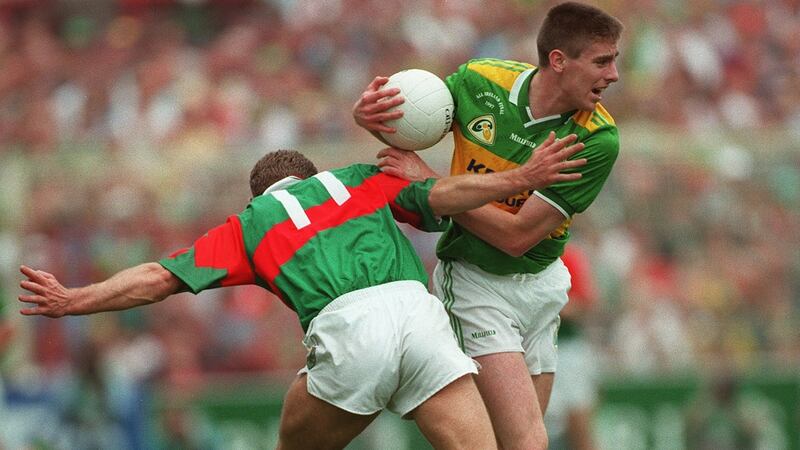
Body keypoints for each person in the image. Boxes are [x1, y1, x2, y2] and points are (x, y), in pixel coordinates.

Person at [18, 138, 586, 450]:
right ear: (312, 173)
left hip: (348, 329)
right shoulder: (361, 177)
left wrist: (76, 299)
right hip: (420, 312)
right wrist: (519, 179)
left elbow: (159, 278)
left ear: (260, 193)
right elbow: (445, 194)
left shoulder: (251, 221)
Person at [353, 2, 623, 448]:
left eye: (614, 60)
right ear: (558, 60)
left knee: (505, 440)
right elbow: (411, 128)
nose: (613, 74)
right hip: (477, 282)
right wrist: (372, 120)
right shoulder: (479, 81)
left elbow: (517, 236)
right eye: (601, 61)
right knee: (529, 441)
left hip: (542, 283)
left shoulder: (596, 138)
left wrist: (438, 186)